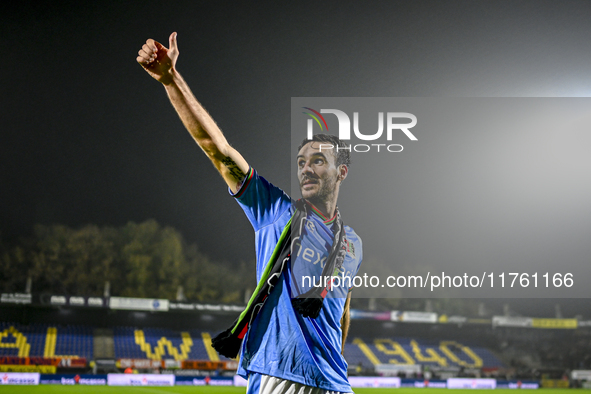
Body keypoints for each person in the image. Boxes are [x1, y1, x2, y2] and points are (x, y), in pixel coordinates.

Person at [137, 32, 363, 394]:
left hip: (335, 384)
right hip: (282, 378)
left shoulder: (352, 241)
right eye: (302, 161)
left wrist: (335, 359)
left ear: (341, 172)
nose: (305, 168)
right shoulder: (277, 211)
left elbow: (342, 309)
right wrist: (170, 79)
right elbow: (220, 151)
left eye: (318, 161)